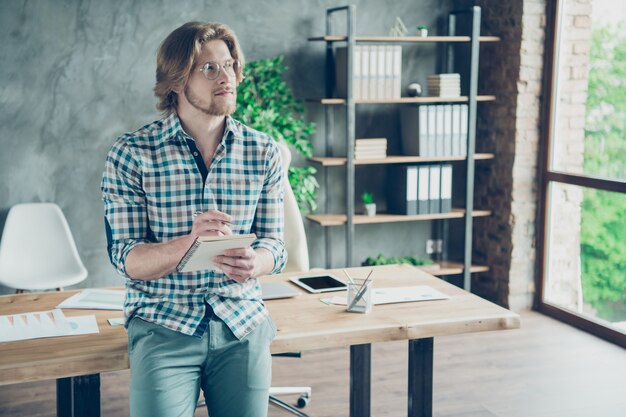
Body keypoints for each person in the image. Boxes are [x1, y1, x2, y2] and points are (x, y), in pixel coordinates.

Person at [101, 21, 286, 417]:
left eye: (230, 65)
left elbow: (276, 245)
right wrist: (190, 242)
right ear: (175, 81)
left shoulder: (263, 151)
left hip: (241, 319)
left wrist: (258, 262)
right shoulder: (132, 154)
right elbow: (128, 259)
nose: (227, 77)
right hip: (163, 322)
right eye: (210, 68)